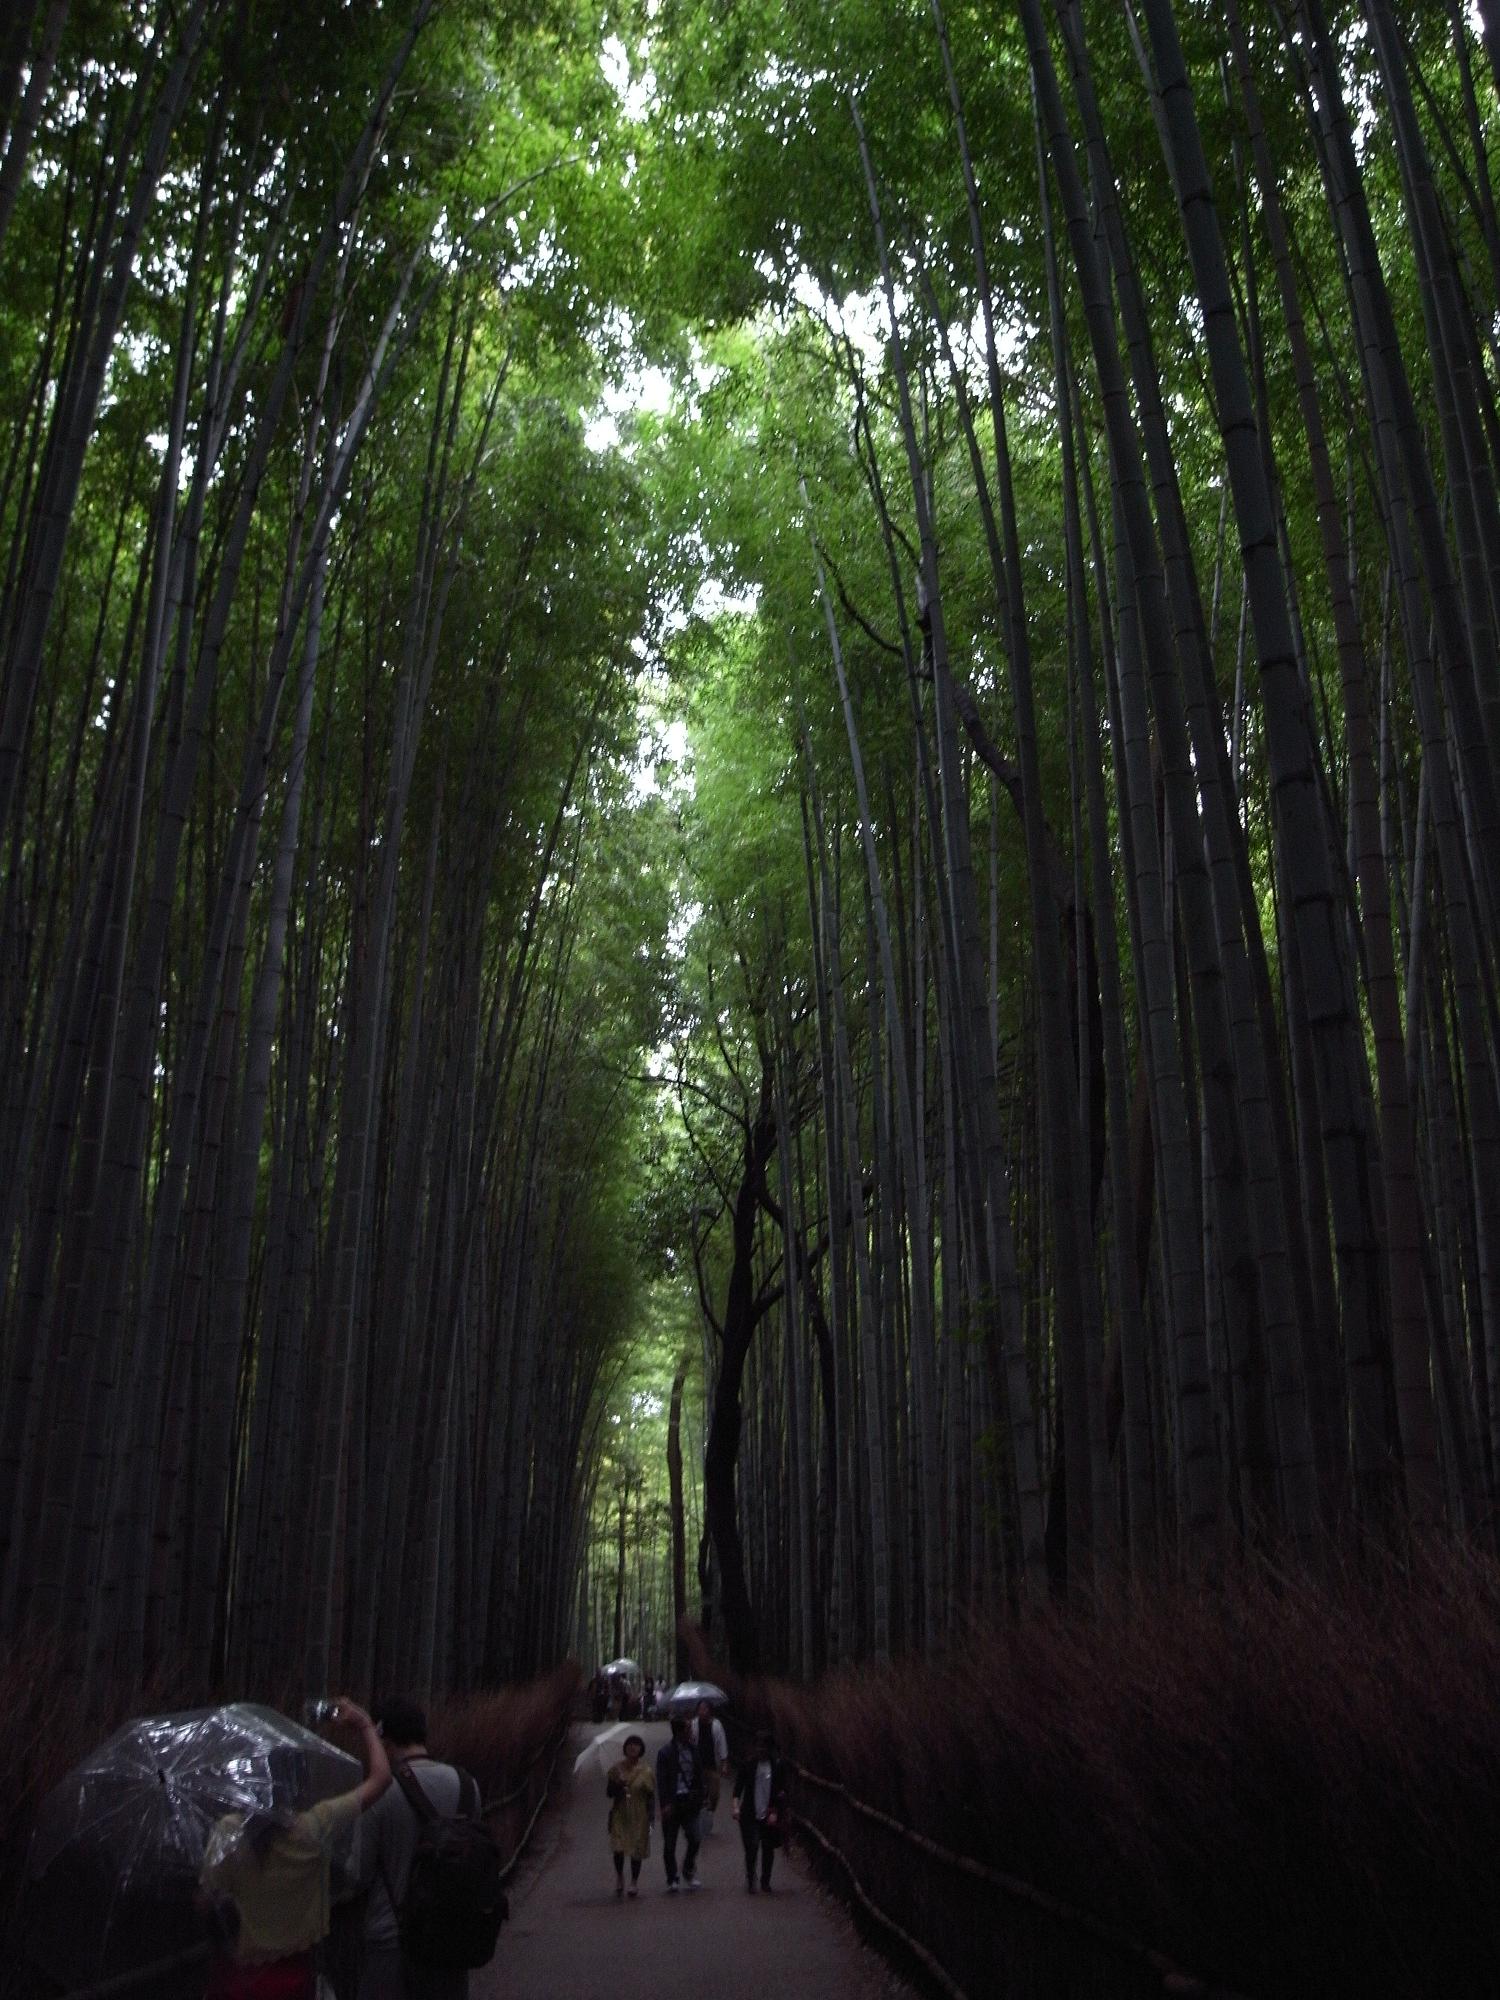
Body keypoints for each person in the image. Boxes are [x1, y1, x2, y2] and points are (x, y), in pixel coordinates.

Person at [199, 1698, 390, 1999]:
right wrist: (365, 1726)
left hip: (238, 1977)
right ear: (300, 1786)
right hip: (295, 1977)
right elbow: (380, 1778)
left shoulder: (229, 1831)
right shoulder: (316, 1826)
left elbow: (206, 1901)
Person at [358, 1695, 481, 1999]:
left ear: (384, 1737)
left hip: (392, 1942)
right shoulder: (468, 1785)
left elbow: (358, 1872)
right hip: (450, 1941)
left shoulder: (380, 1793)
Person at [731, 1731, 789, 1895]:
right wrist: (735, 1807)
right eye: (758, 1746)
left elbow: (782, 1789)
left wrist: (777, 1809)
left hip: (769, 1811)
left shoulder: (777, 1766)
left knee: (768, 1847)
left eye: (764, 1746)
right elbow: (738, 1788)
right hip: (749, 1813)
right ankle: (751, 1877)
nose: (761, 1750)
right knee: (752, 1847)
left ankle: (766, 1879)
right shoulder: (748, 1764)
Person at [654, 1716, 705, 1892]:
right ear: (679, 1731)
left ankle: (688, 1868)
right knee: (670, 1843)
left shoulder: (694, 1750)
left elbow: (699, 1775)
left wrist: (700, 1795)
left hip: (690, 1801)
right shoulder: (666, 1753)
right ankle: (672, 1877)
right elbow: (662, 1780)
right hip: (673, 1801)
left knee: (695, 1838)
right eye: (688, 1729)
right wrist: (665, 1803)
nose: (691, 1732)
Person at [605, 1733, 655, 1898]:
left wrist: (651, 1818)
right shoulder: (616, 1769)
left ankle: (634, 1881)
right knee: (618, 1847)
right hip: (620, 1812)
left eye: (636, 1745)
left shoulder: (646, 1771)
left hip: (639, 1814)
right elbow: (609, 1793)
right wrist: (618, 1784)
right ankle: (619, 1876)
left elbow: (650, 1796)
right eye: (630, 1745)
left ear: (641, 1749)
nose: (633, 1747)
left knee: (636, 1849)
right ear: (625, 1748)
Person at [689, 1700, 729, 1827]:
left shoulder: (716, 1726)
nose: (702, 1712)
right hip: (697, 1765)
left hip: (712, 1764)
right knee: (698, 1793)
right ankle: (699, 1816)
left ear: (710, 1710)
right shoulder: (693, 1724)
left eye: (705, 1709)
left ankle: (709, 1811)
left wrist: (724, 1763)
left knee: (714, 1793)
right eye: (700, 1709)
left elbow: (722, 1744)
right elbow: (689, 1742)